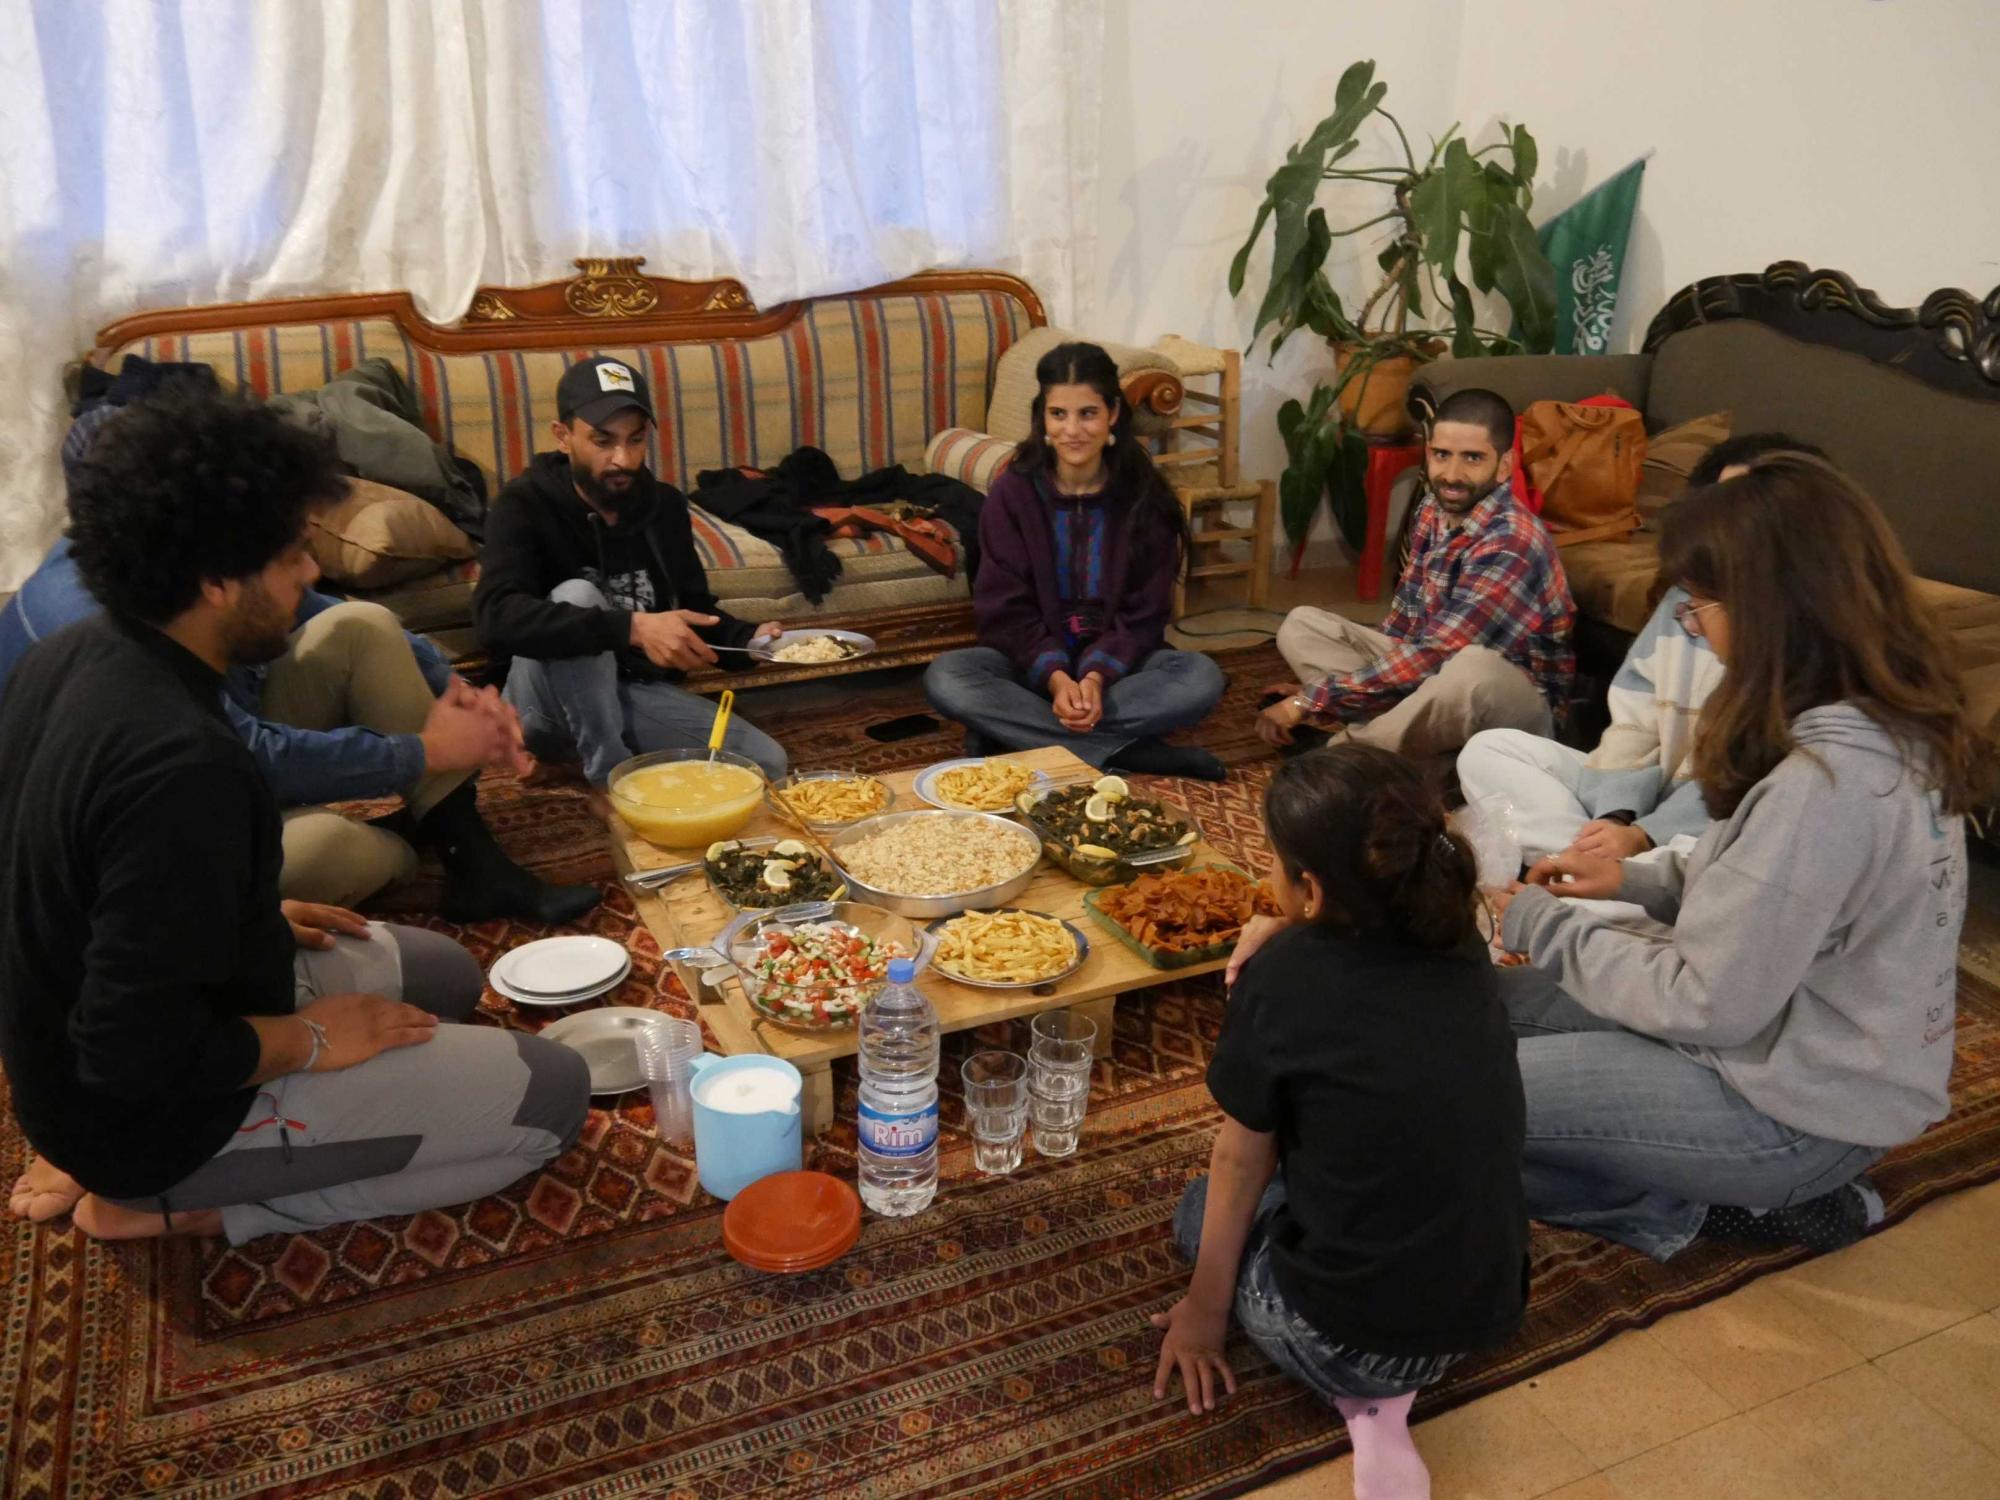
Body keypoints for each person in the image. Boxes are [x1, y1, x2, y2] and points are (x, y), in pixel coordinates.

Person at [0, 386, 590, 1245]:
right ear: (214, 580)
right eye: (289, 558)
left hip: (114, 1035)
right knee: (553, 1097)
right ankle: (174, 1204)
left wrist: (245, 912)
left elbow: (78, 884)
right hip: (143, 1114)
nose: (311, 573)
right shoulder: (178, 764)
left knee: (448, 980)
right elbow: (129, 1053)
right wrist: (307, 1040)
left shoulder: (86, 652)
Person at [1488, 454, 1991, 1261]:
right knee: (1476, 1011)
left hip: (1796, 1108)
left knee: (1447, 1090)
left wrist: (1539, 921)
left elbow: (1704, 1003)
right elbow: (1768, 892)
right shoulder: (1870, 722)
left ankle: (1708, 1209)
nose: (1693, 625)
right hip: (1778, 1046)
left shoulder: (1827, 783)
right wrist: (1640, 880)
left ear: (1772, 610)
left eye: (1702, 606)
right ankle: (1721, 1184)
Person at [1155, 747, 1527, 1500]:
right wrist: (1286, 931)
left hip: (1349, 1340)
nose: (1269, 882)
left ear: (1312, 889)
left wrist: (1202, 1310)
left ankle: (1366, 1400)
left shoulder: (1287, 978)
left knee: (1201, 1207)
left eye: (1274, 866)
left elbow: (1239, 1159)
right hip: (1486, 1307)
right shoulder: (1456, 932)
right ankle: (1380, 1397)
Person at [0, 533, 598, 923]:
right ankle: (413, 842)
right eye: (289, 554)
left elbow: (321, 612)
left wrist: (451, 686)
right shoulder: (122, 647)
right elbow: (250, 757)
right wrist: (422, 752)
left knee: (362, 624)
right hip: (127, 874)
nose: (312, 569)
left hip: (204, 784)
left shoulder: (153, 555)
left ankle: (471, 856)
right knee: (346, 850)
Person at [1456, 433, 1830, 925]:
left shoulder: (1801, 644)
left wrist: (1646, 835)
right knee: (1490, 751)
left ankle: (1604, 892)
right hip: (1650, 808)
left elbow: (1745, 789)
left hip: (1707, 831)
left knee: (1694, 872)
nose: (1732, 529)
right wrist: (1618, 818)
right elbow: (1633, 722)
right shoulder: (1688, 600)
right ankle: (1601, 880)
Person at [475, 356, 789, 785]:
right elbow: (496, 618)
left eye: (636, 440)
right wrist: (633, 628)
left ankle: (592, 761)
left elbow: (692, 608)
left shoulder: (663, 505)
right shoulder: (522, 505)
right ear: (563, 437)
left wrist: (749, 641)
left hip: (627, 690)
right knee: (576, 594)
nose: (622, 458)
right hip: (537, 704)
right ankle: (610, 781)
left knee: (765, 765)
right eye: (602, 441)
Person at [924, 341, 1228, 780]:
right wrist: (1058, 679)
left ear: (1113, 416)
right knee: (948, 677)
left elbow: (1146, 613)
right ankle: (1129, 753)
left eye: (1087, 413)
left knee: (1199, 677)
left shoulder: (1146, 498)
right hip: (1031, 673)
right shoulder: (1013, 494)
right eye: (1058, 414)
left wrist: (1094, 678)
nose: (1073, 430)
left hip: (1119, 673)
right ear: (1043, 420)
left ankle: (1022, 735)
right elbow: (1003, 611)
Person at [1261, 388, 1573, 757]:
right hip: (1436, 672)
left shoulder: (1511, 541)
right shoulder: (1432, 507)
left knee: (1469, 668)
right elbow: (1404, 626)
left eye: (1472, 458)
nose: (1452, 475)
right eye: (1442, 455)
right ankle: (1392, 732)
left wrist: (1310, 701)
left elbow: (1439, 653)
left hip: (1513, 709)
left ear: (1505, 465)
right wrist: (1338, 691)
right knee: (1303, 625)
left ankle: (1343, 754)